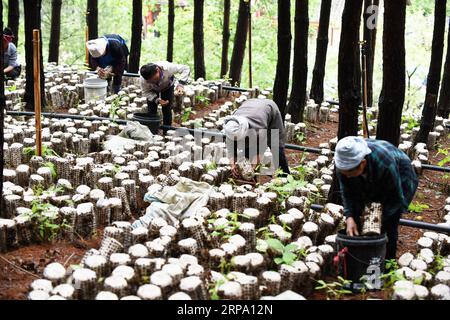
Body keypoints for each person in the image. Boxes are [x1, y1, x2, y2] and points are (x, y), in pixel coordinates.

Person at [334, 136, 419, 260]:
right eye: (343, 172)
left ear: (362, 163)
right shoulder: (343, 165)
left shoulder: (385, 164)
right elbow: (347, 191)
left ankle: (387, 262)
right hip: (371, 178)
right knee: (361, 220)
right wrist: (350, 216)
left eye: (349, 173)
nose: (346, 176)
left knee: (387, 225)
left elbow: (394, 199)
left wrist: (375, 221)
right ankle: (361, 258)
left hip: (401, 178)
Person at [223, 98, 290, 178]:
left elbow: (260, 151)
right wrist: (233, 165)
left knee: (276, 149)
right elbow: (231, 150)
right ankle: (251, 176)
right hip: (250, 106)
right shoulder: (230, 128)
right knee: (248, 150)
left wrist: (252, 168)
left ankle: (284, 177)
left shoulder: (258, 130)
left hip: (270, 110)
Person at [139, 61, 190, 127]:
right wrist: (157, 100)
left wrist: (181, 84)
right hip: (152, 90)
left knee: (167, 108)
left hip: (167, 86)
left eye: (155, 79)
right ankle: (152, 128)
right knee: (151, 109)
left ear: (157, 70)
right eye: (150, 81)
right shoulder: (143, 79)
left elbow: (185, 68)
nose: (154, 81)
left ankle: (167, 129)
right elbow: (146, 92)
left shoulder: (168, 67)